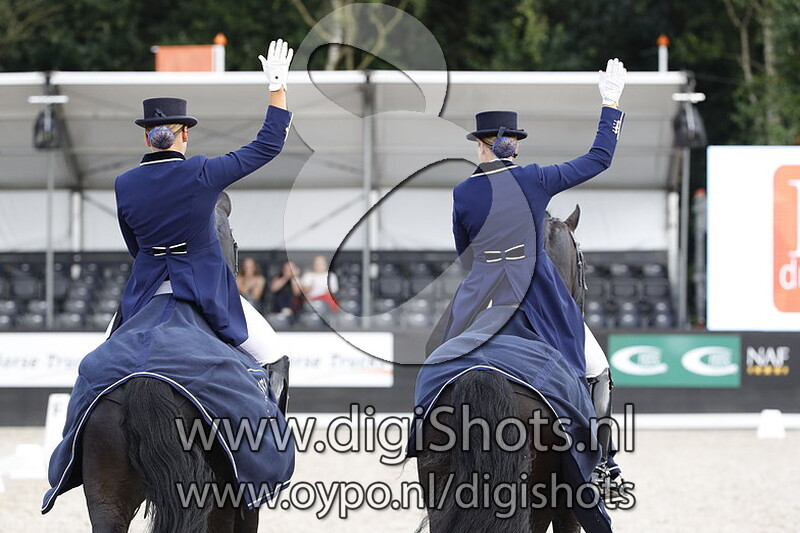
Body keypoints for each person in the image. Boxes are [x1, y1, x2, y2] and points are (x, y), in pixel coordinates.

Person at [430, 58, 628, 500]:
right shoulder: (536, 179)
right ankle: (602, 463)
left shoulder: (463, 192)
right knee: (595, 368)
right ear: (512, 146)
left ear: (482, 146)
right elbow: (599, 158)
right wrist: (610, 105)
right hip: (538, 295)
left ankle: (423, 436)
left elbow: (464, 253)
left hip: (480, 296)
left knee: (438, 358)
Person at [113, 39, 294, 372]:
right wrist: (277, 88)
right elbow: (267, 145)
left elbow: (134, 246)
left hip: (145, 290)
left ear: (146, 137)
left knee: (100, 360)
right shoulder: (202, 171)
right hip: (205, 288)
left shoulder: (124, 183)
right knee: (272, 356)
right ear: (185, 134)